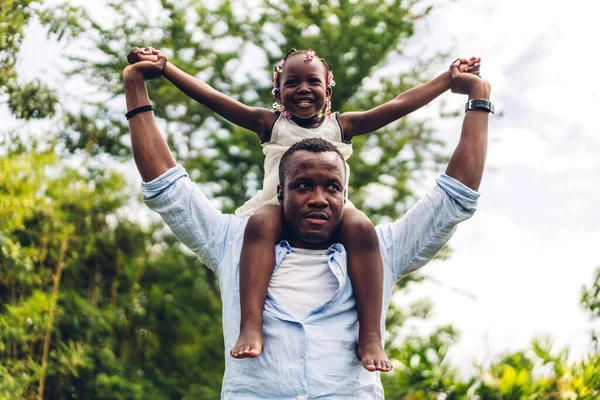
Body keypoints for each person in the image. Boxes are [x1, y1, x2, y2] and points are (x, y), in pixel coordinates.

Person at [123, 52, 492, 398]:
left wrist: (473, 94)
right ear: (282, 191)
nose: (318, 198)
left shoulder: (378, 252)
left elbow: (453, 194)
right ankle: (250, 326)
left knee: (361, 228)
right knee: (260, 224)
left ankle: (371, 336)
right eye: (302, 186)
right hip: (260, 222)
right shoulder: (235, 241)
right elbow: (168, 186)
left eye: (332, 187)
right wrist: (142, 82)